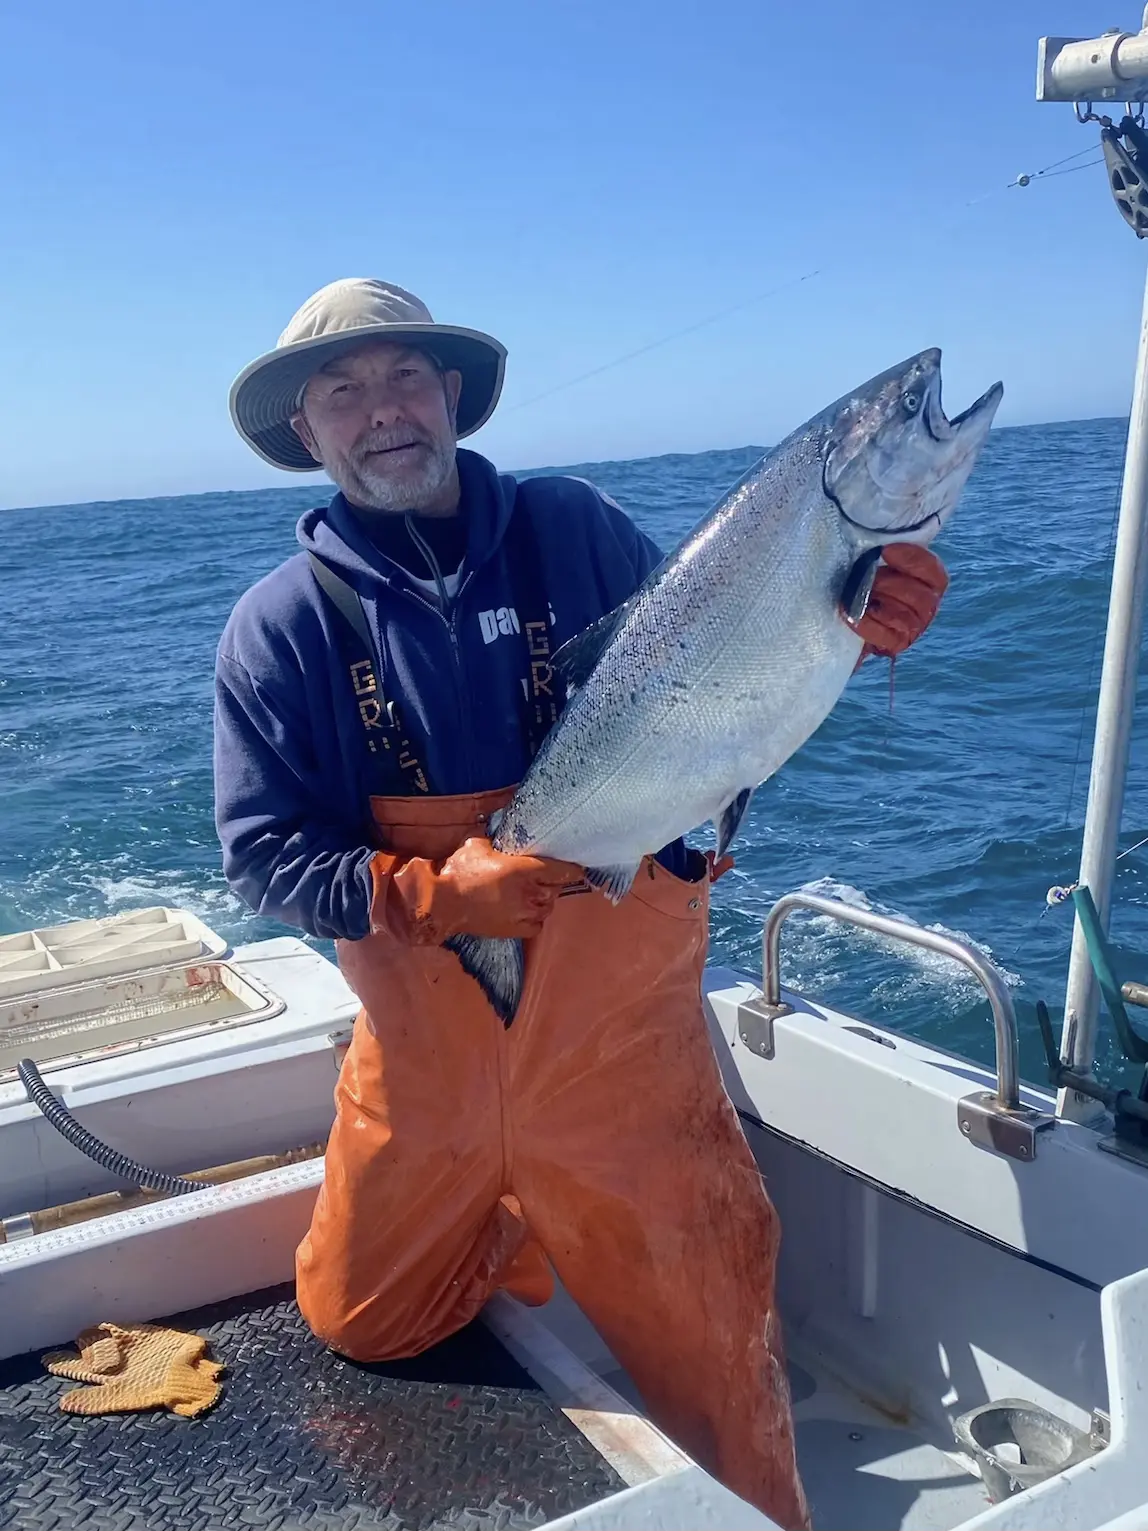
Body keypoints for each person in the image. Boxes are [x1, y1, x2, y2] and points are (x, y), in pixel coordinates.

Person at [215, 278, 948, 1529]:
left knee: (718, 1357)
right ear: (305, 431)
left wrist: (844, 624)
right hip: (426, 1061)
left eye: (403, 378)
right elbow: (262, 856)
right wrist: (438, 892)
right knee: (357, 1321)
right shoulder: (278, 628)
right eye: (341, 390)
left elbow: (716, 687)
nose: (379, 411)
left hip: (623, 1051)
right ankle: (519, 1225)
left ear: (451, 396)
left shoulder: (574, 529)